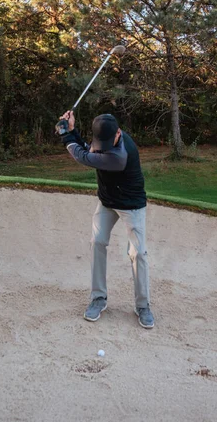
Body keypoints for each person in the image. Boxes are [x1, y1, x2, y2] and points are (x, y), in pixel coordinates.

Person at [59, 110, 154, 329]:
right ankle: (98, 298)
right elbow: (88, 148)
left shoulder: (120, 155)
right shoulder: (105, 141)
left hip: (131, 205)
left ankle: (143, 306)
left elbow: (83, 156)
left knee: (138, 252)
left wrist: (65, 135)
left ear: (118, 134)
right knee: (97, 242)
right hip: (107, 202)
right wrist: (71, 129)